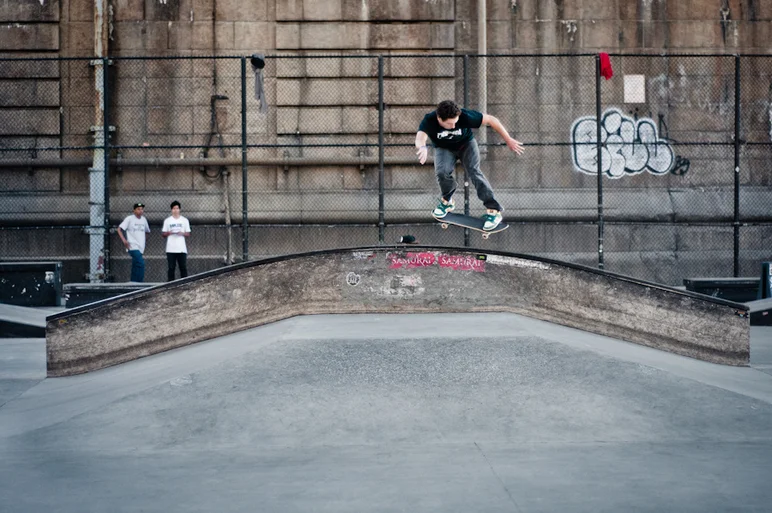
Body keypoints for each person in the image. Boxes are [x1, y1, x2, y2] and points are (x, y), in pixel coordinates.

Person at [415, 100, 524, 230]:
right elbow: (420, 136)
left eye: (455, 122)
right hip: (444, 148)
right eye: (449, 124)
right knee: (442, 172)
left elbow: (491, 120)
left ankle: (494, 210)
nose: (453, 126)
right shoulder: (430, 120)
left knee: (474, 172)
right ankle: (447, 201)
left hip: (466, 145)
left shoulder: (465, 116)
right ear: (439, 118)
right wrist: (422, 147)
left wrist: (508, 139)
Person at [118, 203, 151, 282]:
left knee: (135, 264)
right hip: (132, 245)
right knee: (141, 263)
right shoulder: (129, 219)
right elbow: (119, 229)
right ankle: (140, 282)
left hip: (141, 246)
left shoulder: (144, 219)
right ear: (134, 210)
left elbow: (147, 231)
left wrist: (144, 240)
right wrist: (124, 240)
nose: (140, 211)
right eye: (138, 209)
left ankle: (133, 281)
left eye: (142, 209)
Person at [161, 200, 191, 281]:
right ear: (171, 210)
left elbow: (188, 233)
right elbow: (163, 234)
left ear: (179, 209)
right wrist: (169, 233)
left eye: (177, 208)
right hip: (170, 248)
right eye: (174, 209)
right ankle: (170, 284)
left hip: (181, 248)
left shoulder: (184, 220)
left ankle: (184, 283)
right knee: (171, 267)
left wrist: (182, 233)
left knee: (183, 267)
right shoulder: (167, 221)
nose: (175, 210)